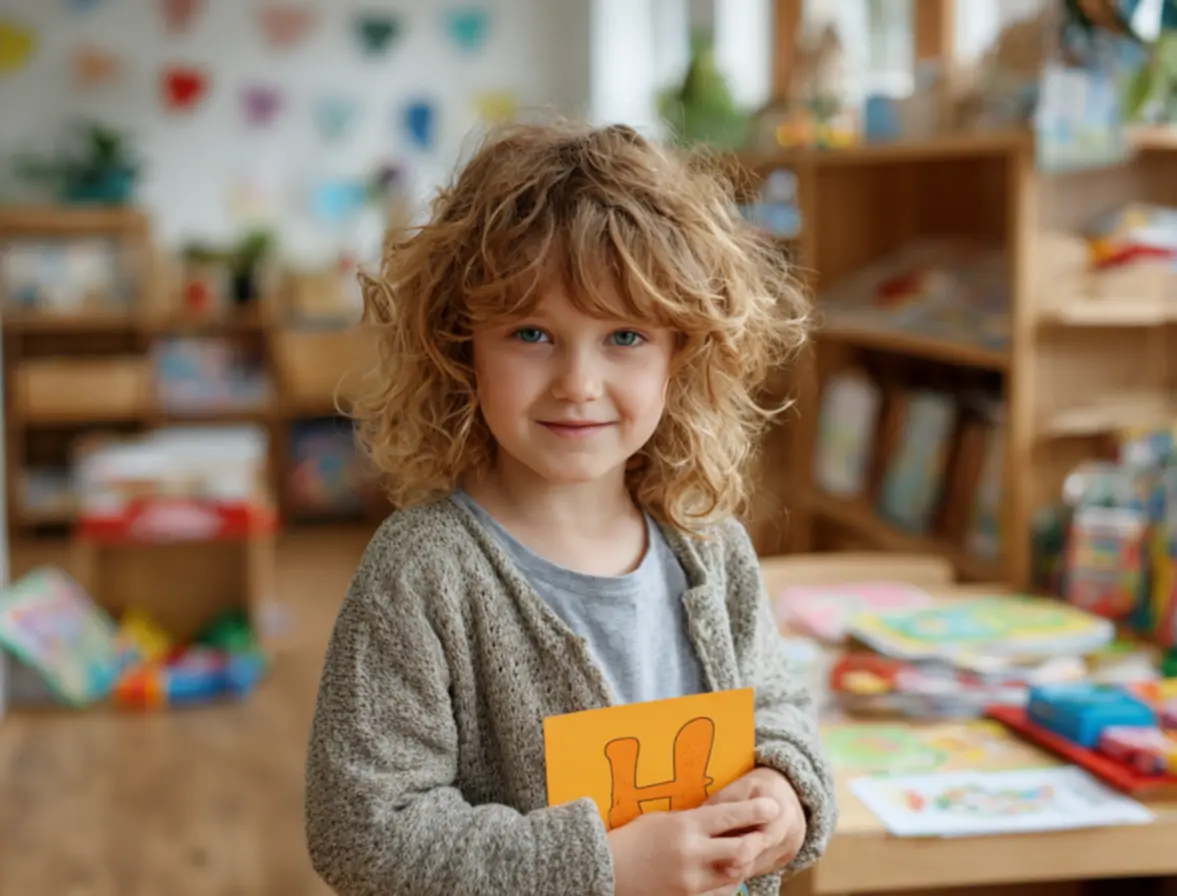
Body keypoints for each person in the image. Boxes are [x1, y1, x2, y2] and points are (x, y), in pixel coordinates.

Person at [305, 119, 836, 896]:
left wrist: (788, 791)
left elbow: (781, 710)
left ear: (677, 355)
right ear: (462, 347)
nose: (578, 384)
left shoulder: (710, 548)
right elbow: (362, 830)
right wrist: (605, 867)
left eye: (624, 336)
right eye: (532, 333)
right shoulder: (422, 572)